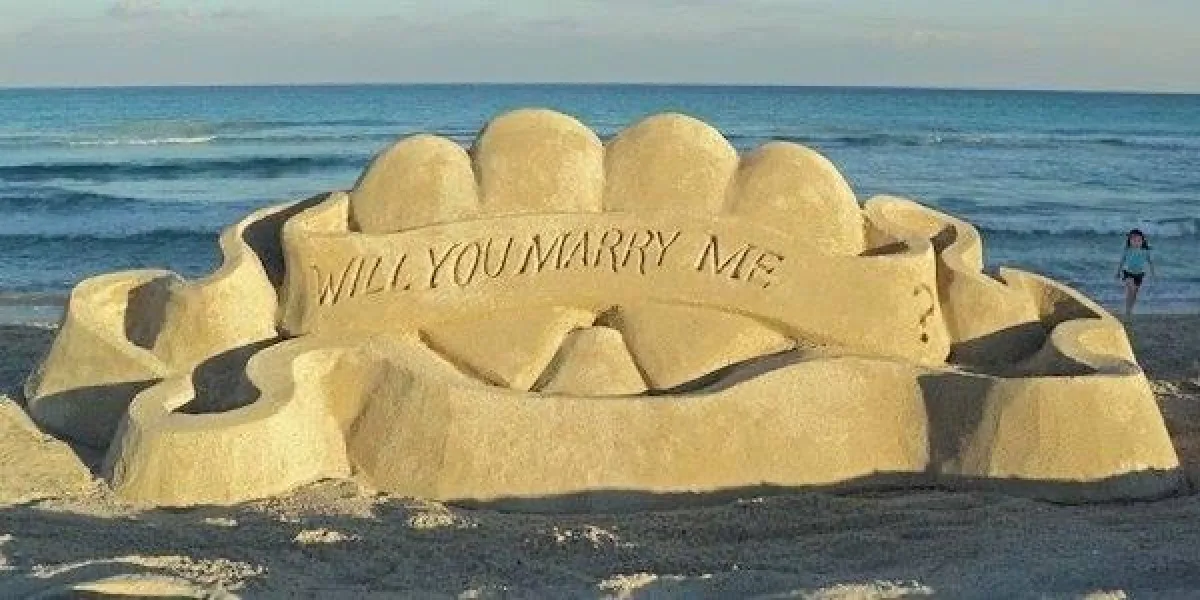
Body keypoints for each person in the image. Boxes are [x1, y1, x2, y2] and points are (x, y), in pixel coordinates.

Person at [1115, 228, 1155, 316]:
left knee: (1134, 293)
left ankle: (1130, 309)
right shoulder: (1127, 250)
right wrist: (1118, 272)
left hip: (1139, 274)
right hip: (1128, 273)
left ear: (1142, 241)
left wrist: (1153, 272)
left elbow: (1150, 262)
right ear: (1130, 241)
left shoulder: (1145, 251)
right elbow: (1122, 261)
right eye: (1133, 240)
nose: (1136, 242)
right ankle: (1127, 310)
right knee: (1131, 289)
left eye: (1138, 240)